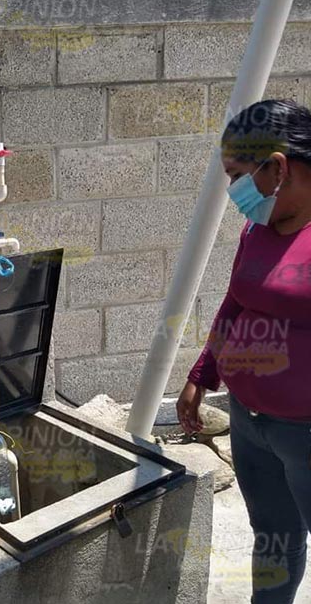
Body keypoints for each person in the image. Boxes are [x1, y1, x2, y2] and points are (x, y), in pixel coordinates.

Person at [178, 99, 311, 604]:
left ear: (277, 168)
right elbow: (235, 301)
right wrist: (202, 374)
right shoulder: (258, 228)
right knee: (273, 536)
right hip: (249, 421)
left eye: (237, 175)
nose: (233, 190)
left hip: (304, 432)